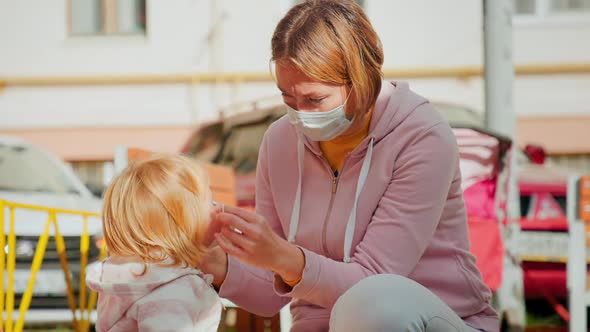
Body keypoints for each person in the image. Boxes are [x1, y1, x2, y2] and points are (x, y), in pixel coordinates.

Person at [201, 0, 498, 331]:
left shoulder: (423, 137)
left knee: (372, 302)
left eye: (315, 100)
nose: (300, 114)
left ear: (361, 80)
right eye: (288, 100)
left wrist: (284, 257)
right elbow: (271, 292)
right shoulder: (279, 142)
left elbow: (373, 283)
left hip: (435, 320)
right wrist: (209, 261)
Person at [87, 154, 222, 332]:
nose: (219, 208)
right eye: (211, 203)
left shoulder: (134, 278)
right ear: (183, 223)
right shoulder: (175, 290)